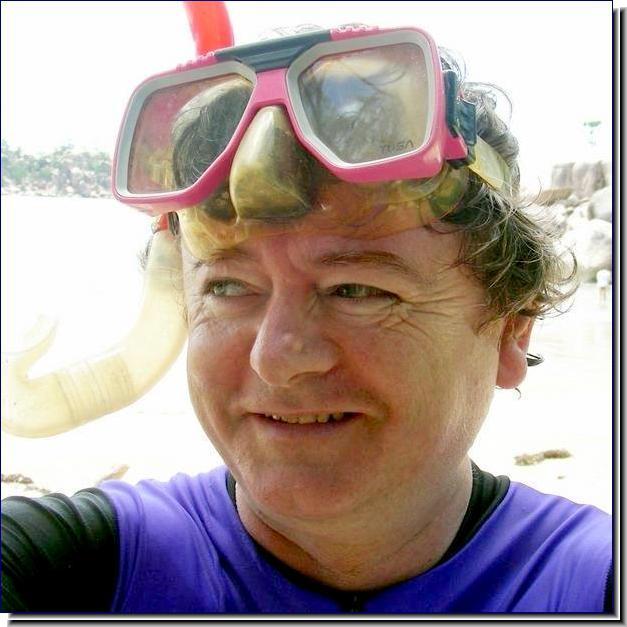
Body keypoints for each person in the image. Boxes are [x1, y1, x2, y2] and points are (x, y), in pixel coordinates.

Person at [1, 16, 612, 615]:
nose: (275, 358)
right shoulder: (78, 568)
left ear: (511, 330)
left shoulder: (594, 584)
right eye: (228, 287)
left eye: (357, 290)